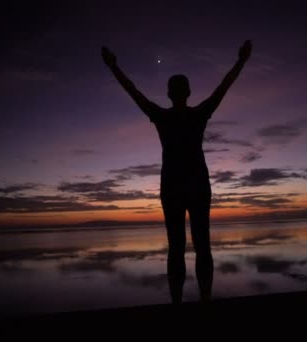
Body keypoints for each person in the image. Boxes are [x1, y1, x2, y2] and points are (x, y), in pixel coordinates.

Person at [102, 40, 252, 303]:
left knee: (179, 248)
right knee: (199, 245)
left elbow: (133, 92)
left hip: (175, 186)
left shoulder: (166, 116)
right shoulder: (194, 114)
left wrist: (114, 67)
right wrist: (241, 61)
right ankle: (200, 299)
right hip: (191, 185)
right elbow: (223, 88)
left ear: (171, 94)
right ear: (188, 92)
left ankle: (179, 302)